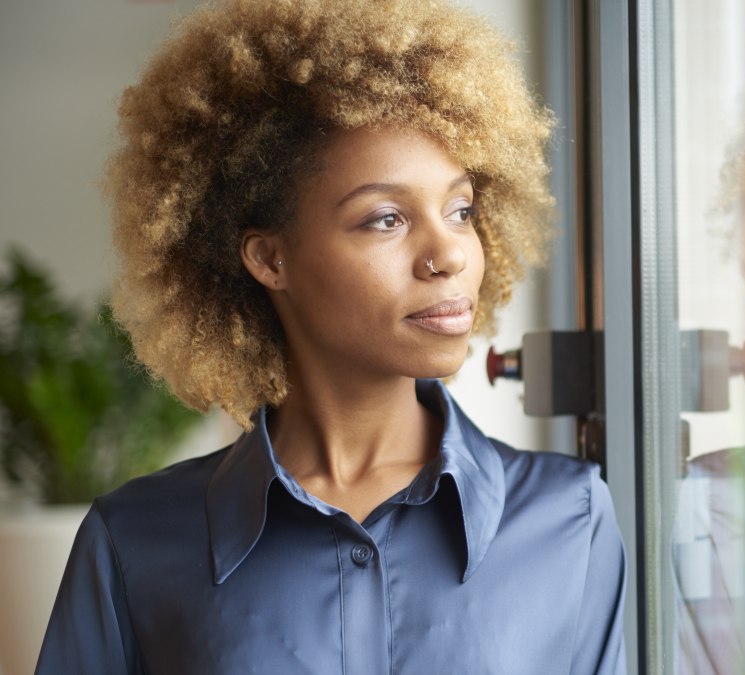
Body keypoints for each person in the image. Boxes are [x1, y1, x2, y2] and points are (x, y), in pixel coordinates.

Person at [35, 1, 627, 672]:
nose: (450, 254)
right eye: (385, 219)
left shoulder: (569, 520)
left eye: (460, 210)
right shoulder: (135, 543)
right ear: (269, 259)